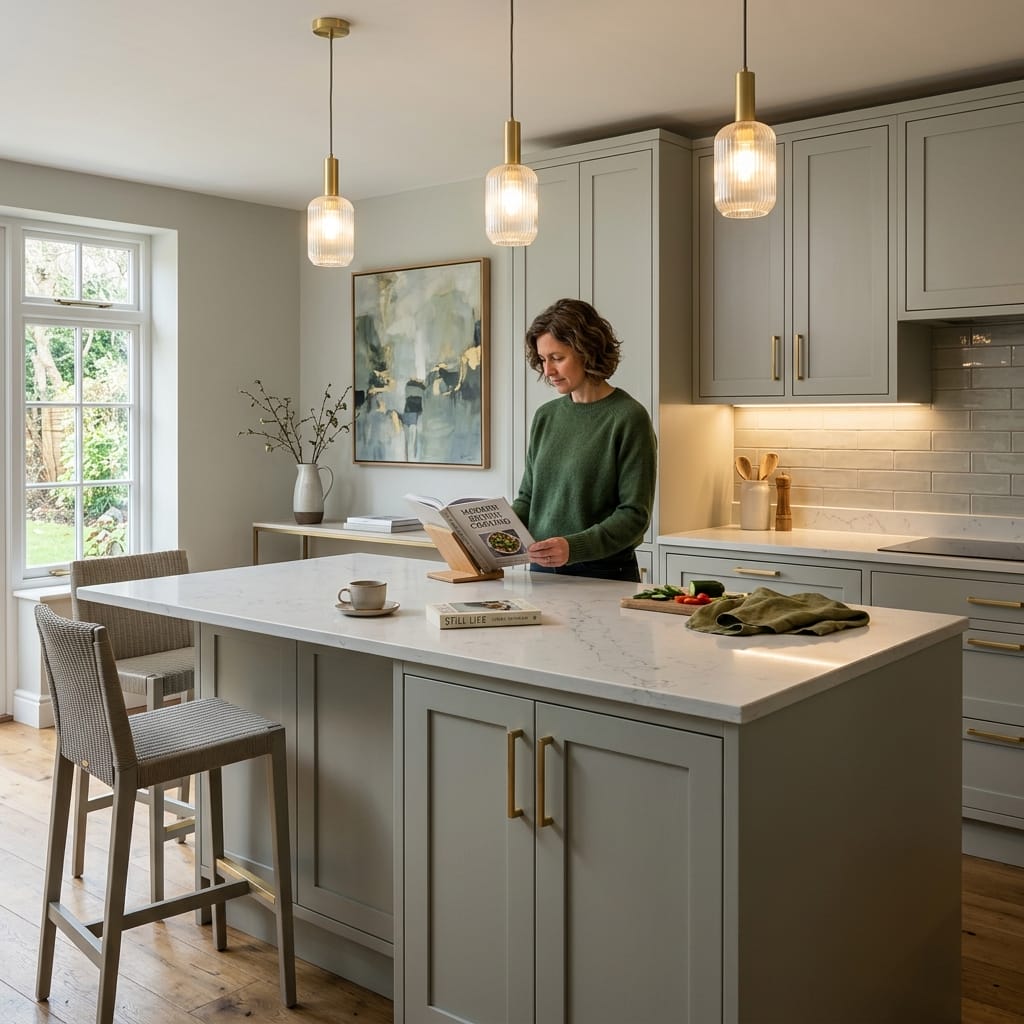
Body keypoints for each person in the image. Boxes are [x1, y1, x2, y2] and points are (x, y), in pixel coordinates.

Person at [511, 298, 657, 582]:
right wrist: (494, 529)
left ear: (587, 352)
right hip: (542, 572)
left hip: (604, 575)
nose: (547, 371)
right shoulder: (545, 416)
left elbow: (634, 516)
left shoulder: (628, 418)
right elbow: (529, 498)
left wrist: (573, 548)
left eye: (557, 358)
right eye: (543, 359)